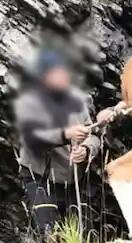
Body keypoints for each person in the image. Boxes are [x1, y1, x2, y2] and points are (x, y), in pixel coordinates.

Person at [14, 49, 106, 237]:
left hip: (71, 183)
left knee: (78, 235)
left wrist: (88, 150)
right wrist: (66, 134)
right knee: (49, 234)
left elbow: (94, 134)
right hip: (39, 178)